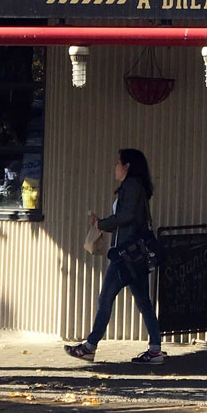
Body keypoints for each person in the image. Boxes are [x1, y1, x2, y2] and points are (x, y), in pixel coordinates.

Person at [65, 148, 165, 366]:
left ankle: (90, 347)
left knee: (105, 300)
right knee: (144, 302)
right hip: (135, 255)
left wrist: (102, 224)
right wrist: (104, 223)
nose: (115, 167)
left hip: (124, 254)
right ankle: (155, 349)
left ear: (127, 166)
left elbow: (126, 216)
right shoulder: (139, 186)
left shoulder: (131, 186)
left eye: (118, 163)